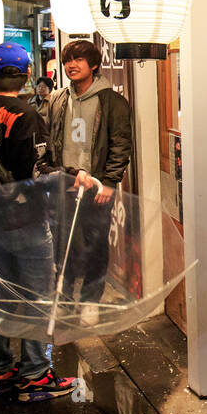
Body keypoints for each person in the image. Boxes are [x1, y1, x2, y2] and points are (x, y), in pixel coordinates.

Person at [0, 43, 82, 402]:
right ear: (25, 73)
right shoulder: (25, 113)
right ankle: (35, 376)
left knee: (2, 295)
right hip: (24, 218)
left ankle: (2, 371)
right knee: (39, 296)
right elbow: (39, 172)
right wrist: (75, 176)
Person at [46, 38, 133, 325]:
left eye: (79, 60)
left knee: (95, 243)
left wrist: (109, 182)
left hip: (96, 186)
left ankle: (90, 301)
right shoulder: (58, 99)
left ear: (94, 65)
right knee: (64, 243)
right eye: (68, 59)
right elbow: (49, 141)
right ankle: (66, 297)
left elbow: (121, 144)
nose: (71, 65)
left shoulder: (112, 101)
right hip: (65, 182)